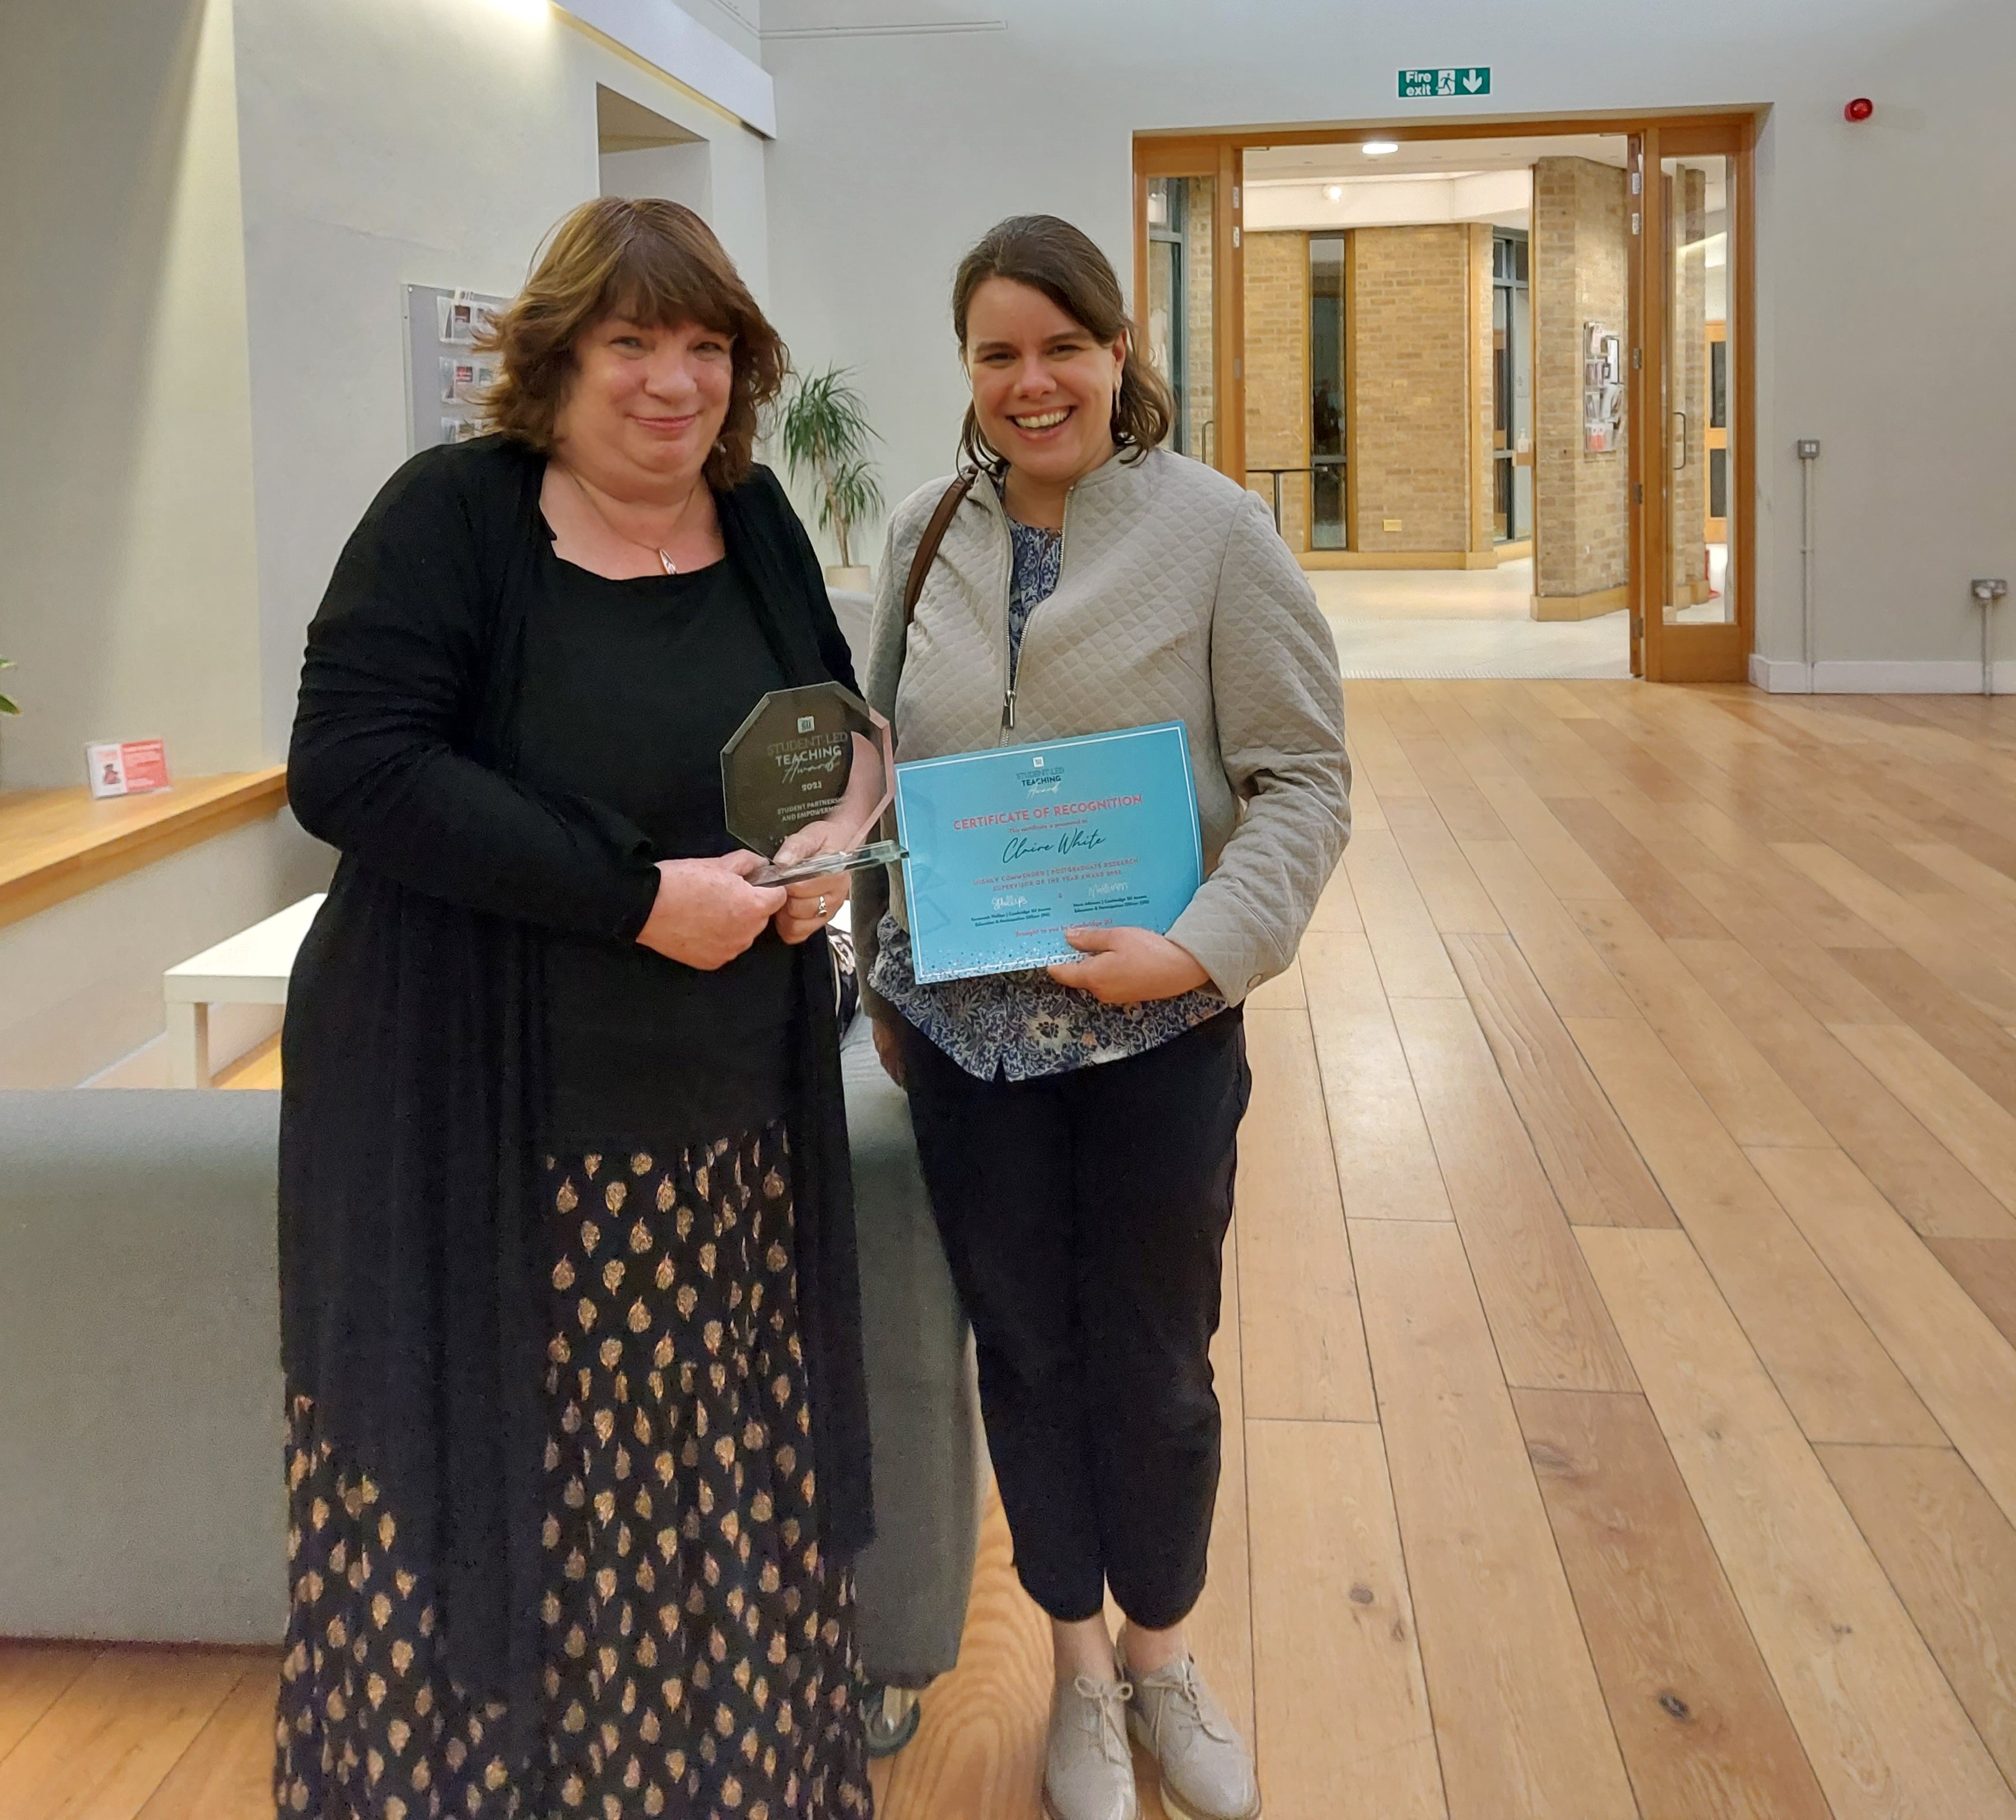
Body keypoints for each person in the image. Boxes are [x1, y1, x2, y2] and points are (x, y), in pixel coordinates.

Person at [278, 196, 877, 1820]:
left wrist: (831, 844)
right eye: (632, 343)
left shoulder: (750, 523)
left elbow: (835, 723)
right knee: (515, 1470)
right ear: (557, 358)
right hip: (477, 1109)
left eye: (703, 349)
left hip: (721, 1116)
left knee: (700, 1471)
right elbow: (352, 766)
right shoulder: (452, 516)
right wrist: (636, 895)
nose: (670, 384)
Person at [852, 216, 1350, 1820]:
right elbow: (881, 773)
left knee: (1154, 1366)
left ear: (1118, 351)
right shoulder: (920, 536)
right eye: (996, 353)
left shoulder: (1215, 534)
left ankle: (1160, 1657)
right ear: (968, 373)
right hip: (965, 1044)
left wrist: (1201, 949)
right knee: (1023, 1348)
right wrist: (880, 962)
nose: (1030, 380)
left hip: (1154, 1038)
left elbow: (1303, 780)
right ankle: (1071, 1667)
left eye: (1061, 345)